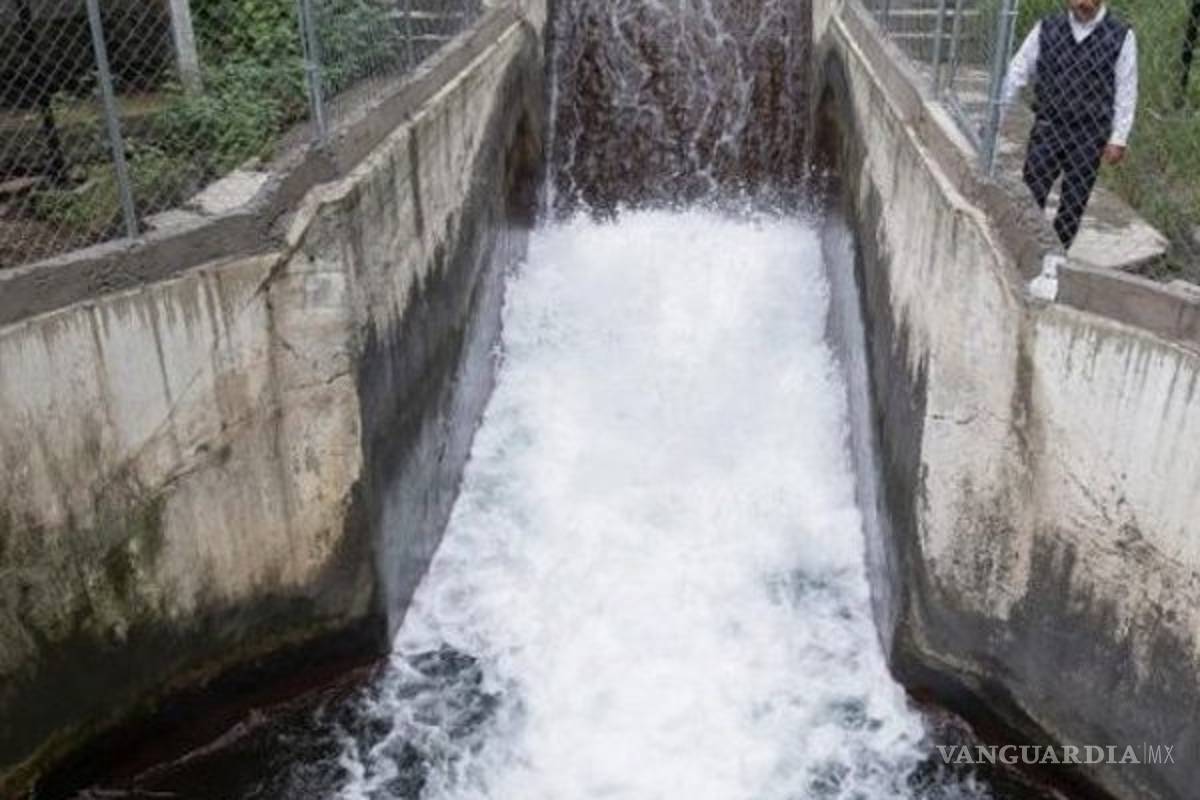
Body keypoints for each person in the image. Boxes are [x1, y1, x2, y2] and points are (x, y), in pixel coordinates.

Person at [1001, 0, 1138, 249]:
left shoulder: (1121, 36)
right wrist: (997, 115)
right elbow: (1018, 71)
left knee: (1074, 202)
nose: (1080, 2)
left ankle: (1056, 259)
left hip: (1090, 133)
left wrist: (1119, 138)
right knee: (1032, 189)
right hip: (1049, 124)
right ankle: (1024, 248)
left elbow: (1126, 90)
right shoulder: (1047, 27)